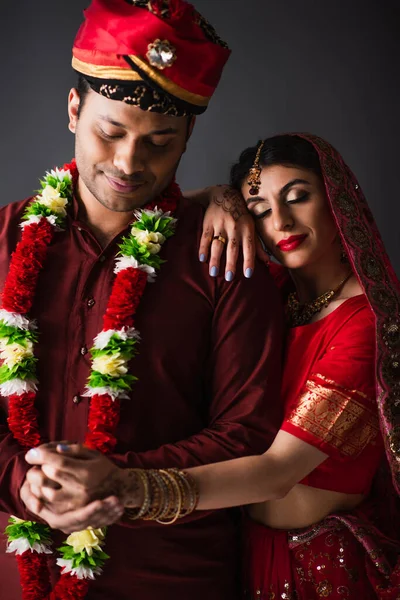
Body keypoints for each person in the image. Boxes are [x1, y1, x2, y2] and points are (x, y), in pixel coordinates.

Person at [32, 133, 400, 598]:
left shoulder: (366, 322)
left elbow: (276, 473)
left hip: (322, 565)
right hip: (249, 552)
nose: (280, 220)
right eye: (260, 209)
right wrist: (217, 198)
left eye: (298, 197)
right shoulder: (274, 294)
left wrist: (126, 488)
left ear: (338, 201)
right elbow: (135, 208)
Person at [0, 2, 284, 599]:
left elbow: (246, 432)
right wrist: (18, 482)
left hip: (172, 576)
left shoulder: (228, 259)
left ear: (188, 137)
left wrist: (118, 484)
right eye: (110, 132)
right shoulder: (2, 243)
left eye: (159, 142)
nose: (130, 162)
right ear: (74, 109)